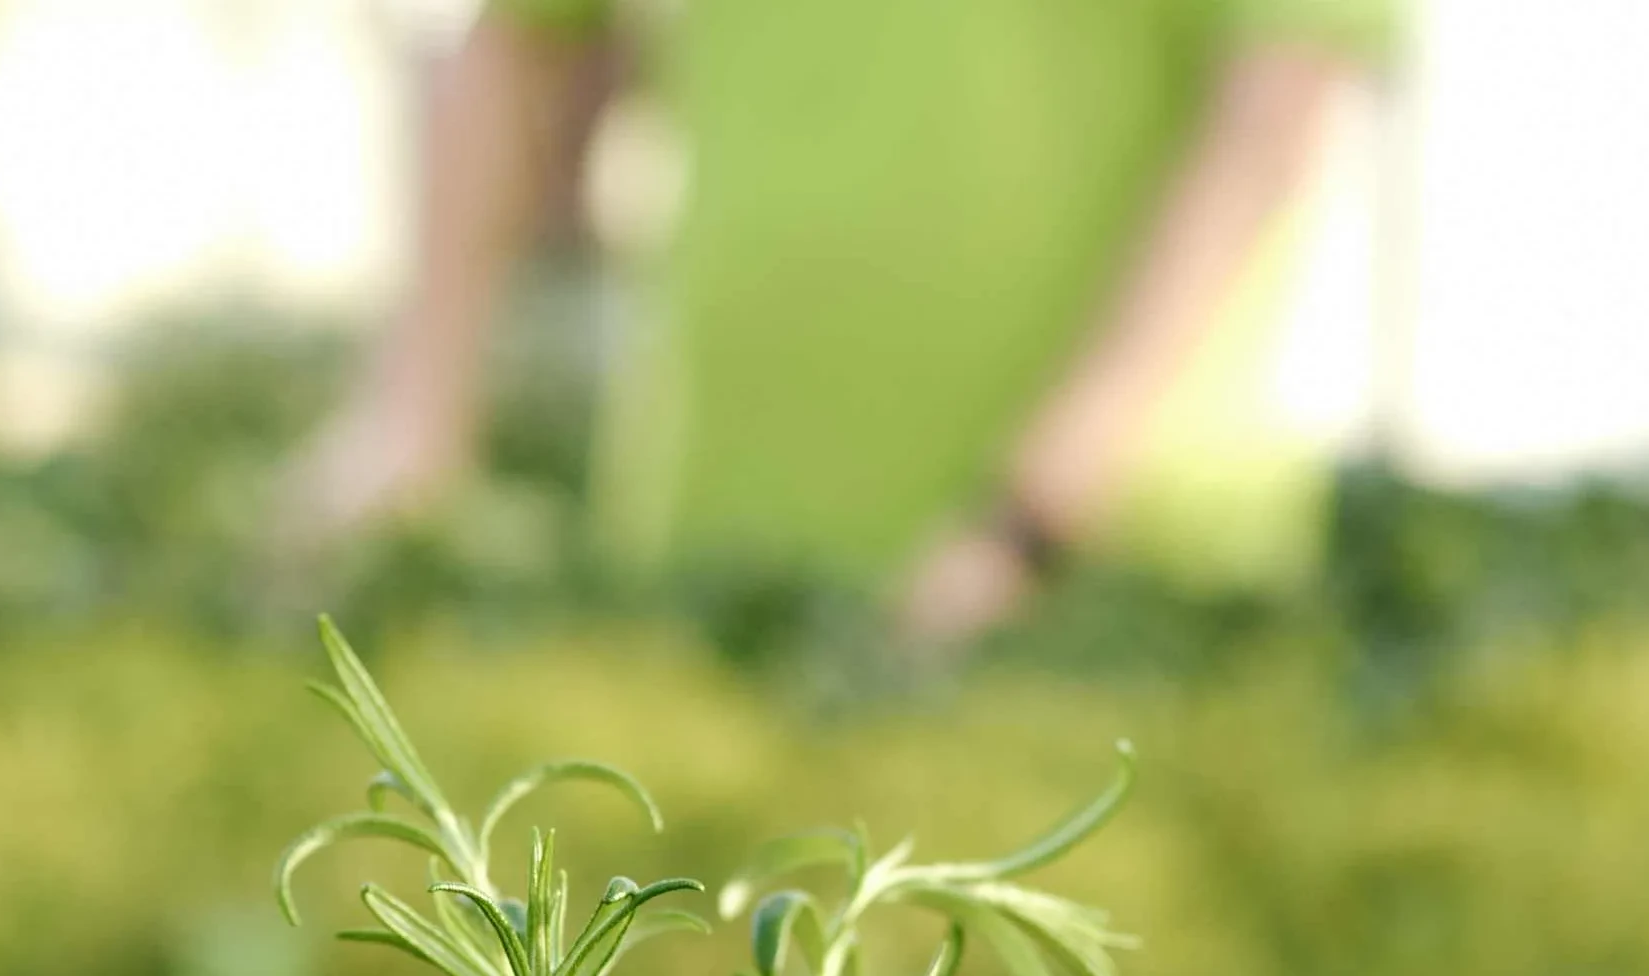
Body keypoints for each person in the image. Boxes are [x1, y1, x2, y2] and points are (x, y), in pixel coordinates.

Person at [284, 0, 1390, 645]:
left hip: (1115, 597)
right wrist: (413, 409)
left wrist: (1033, 516)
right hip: (723, 560)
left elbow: (1274, 112)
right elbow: (519, 42)